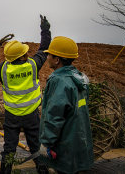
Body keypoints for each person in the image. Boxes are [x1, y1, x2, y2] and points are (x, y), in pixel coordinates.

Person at [0, 15, 51, 174]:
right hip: (32, 115)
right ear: (24, 55)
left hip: (12, 116)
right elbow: (44, 48)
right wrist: (45, 29)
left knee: (9, 149)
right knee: (36, 147)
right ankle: (43, 171)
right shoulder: (33, 65)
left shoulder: (2, 69)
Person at [39, 36, 94, 174]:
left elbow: (55, 115)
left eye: (49, 55)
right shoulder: (79, 79)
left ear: (57, 60)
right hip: (79, 142)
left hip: (64, 146)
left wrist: (46, 142)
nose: (47, 58)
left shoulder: (59, 81)